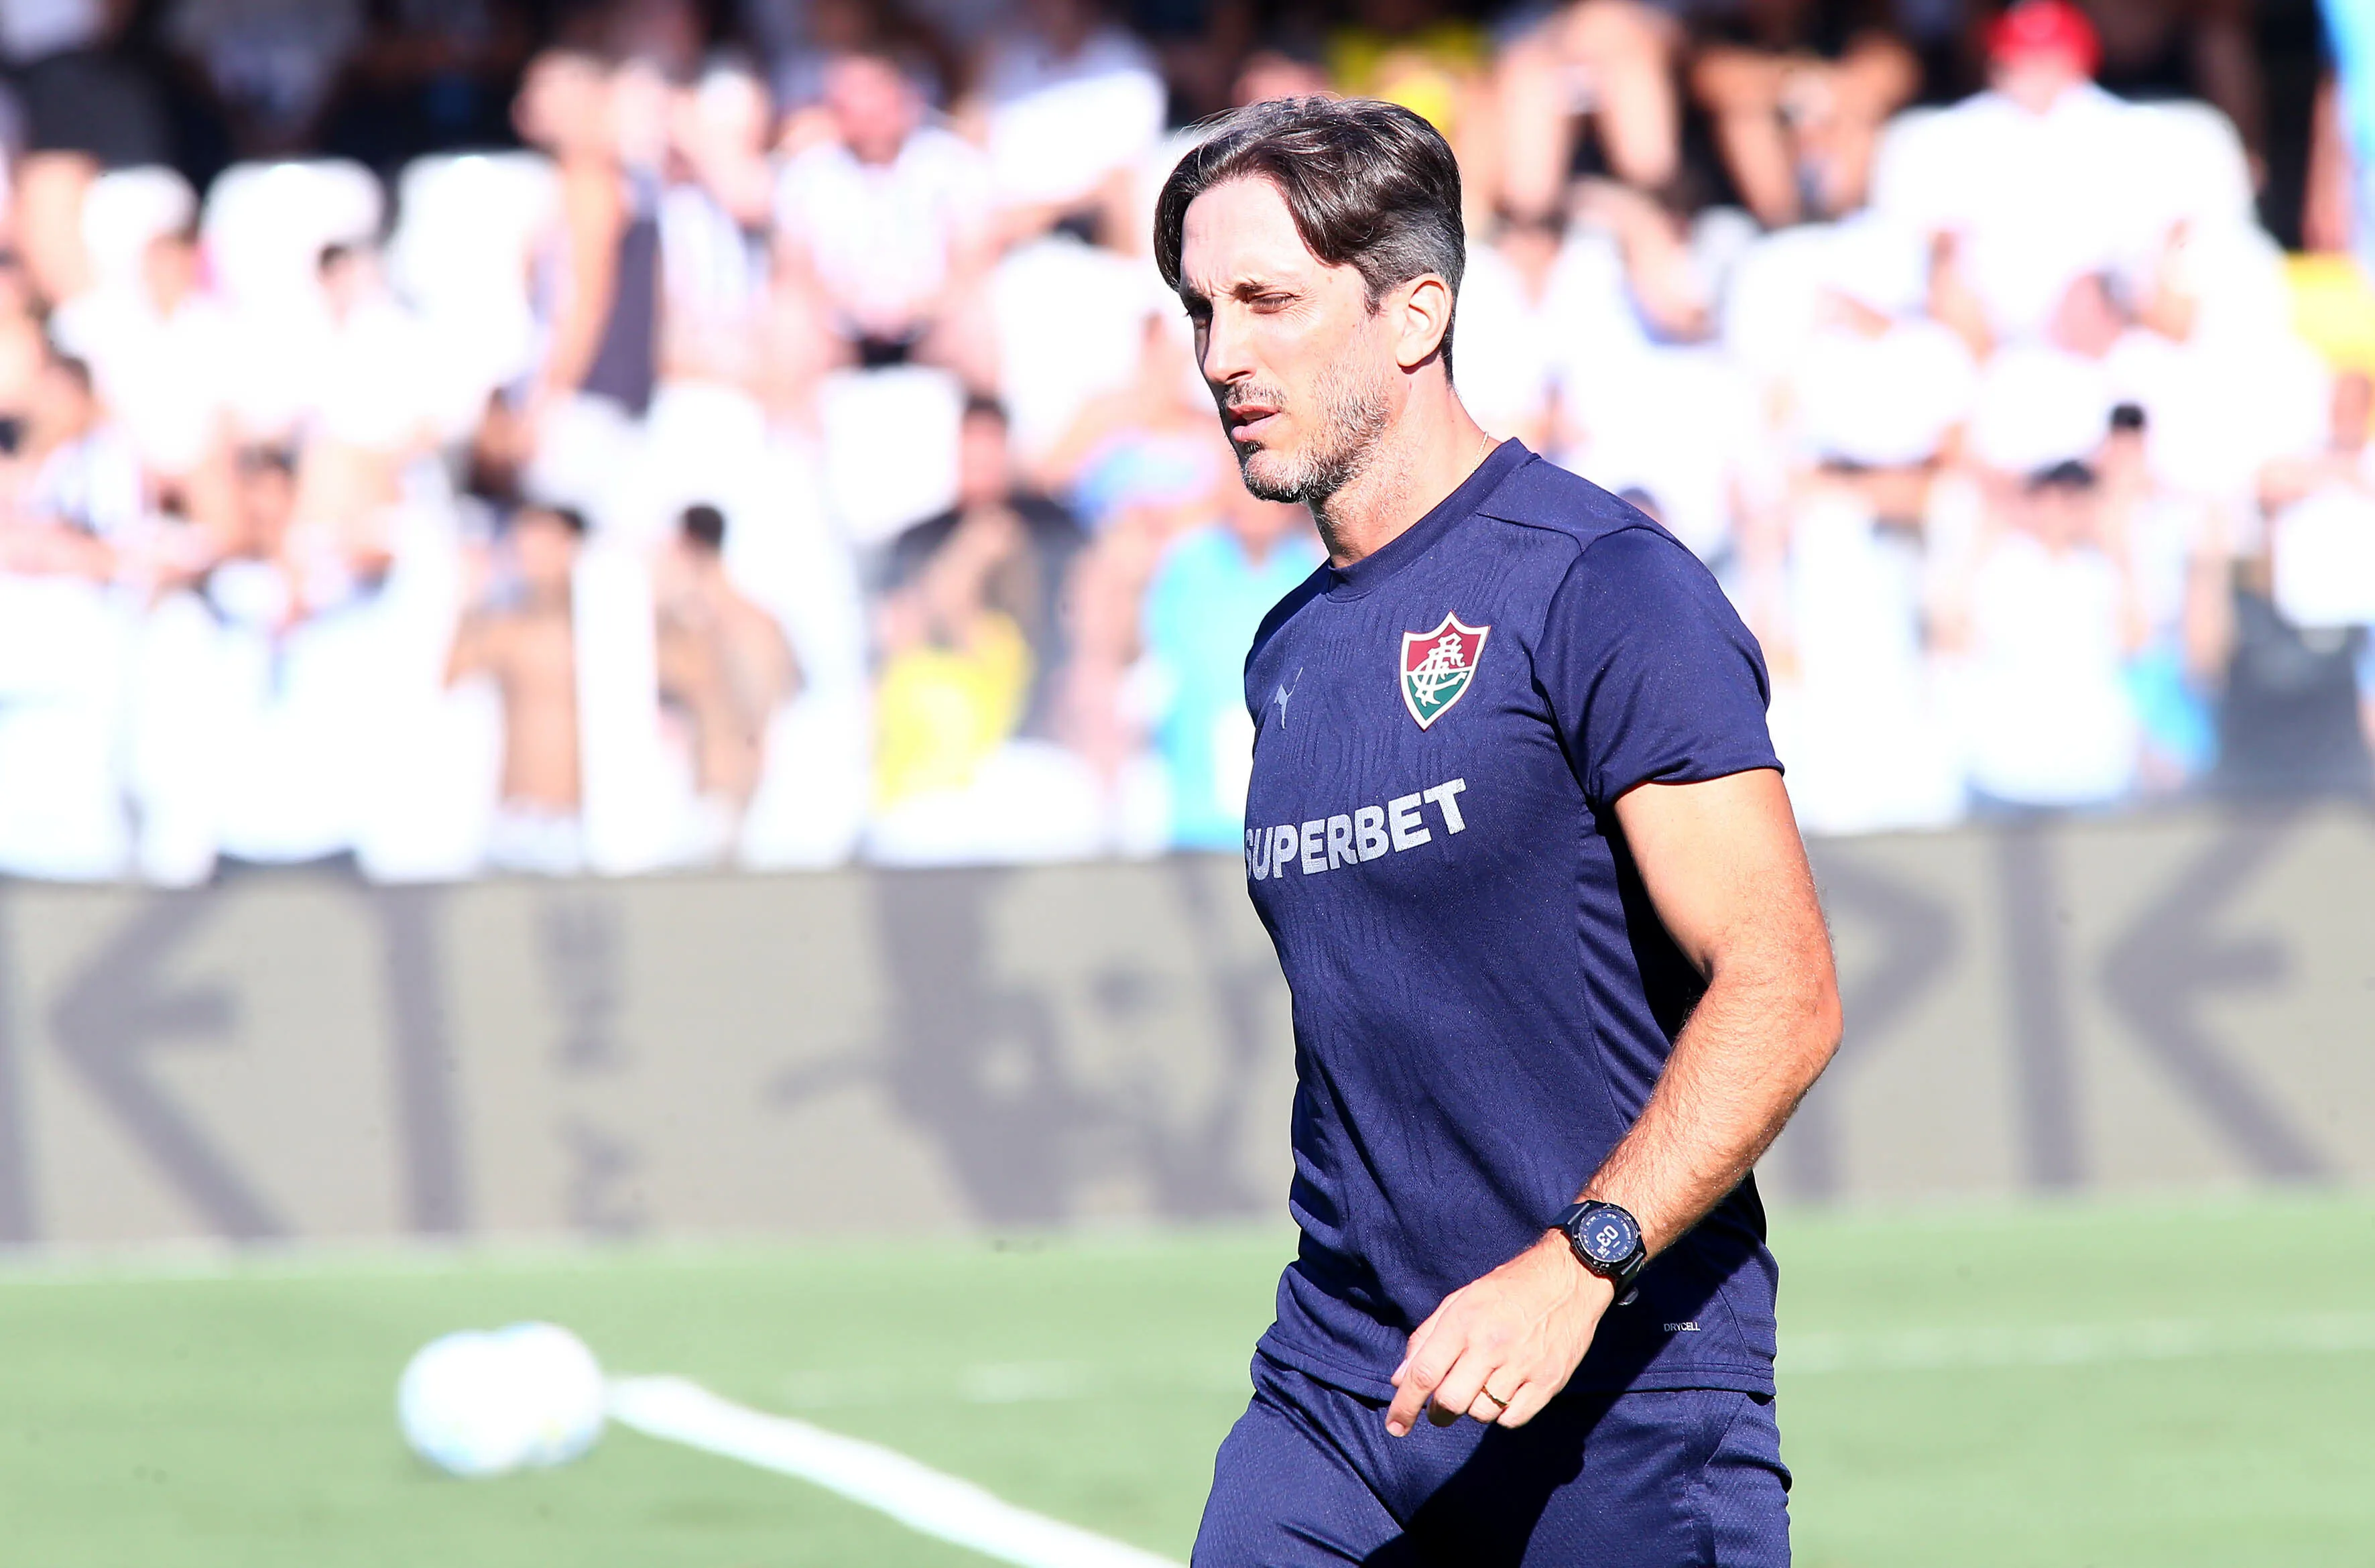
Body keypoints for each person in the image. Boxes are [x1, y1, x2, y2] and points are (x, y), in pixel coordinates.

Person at [1155, 97, 1839, 1565]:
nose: (1220, 355)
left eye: (1266, 300)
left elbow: (1781, 986)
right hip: (1344, 1394)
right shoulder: (1285, 652)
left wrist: (1575, 1260)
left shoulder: (1601, 585)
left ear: (1417, 311)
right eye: (1201, 308)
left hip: (1624, 1395)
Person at [445, 502, 589, 873]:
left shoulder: (604, 633)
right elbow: (451, 678)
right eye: (525, 546)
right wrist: (471, 595)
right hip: (515, 823)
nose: (532, 557)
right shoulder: (505, 631)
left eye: (544, 545)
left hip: (581, 826)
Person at [655, 502, 800, 857]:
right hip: (726, 798)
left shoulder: (725, 627)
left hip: (722, 801)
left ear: (686, 544)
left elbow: (752, 716)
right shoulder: (754, 623)